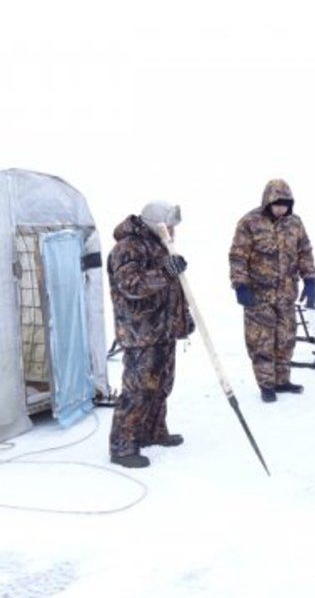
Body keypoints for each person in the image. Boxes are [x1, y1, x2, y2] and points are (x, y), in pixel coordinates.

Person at [107, 200, 194, 468]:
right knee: (138, 389)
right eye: (169, 225)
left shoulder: (160, 247)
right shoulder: (127, 248)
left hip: (163, 330)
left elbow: (172, 289)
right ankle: (123, 446)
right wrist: (166, 272)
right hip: (141, 332)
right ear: (156, 225)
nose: (173, 230)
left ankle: (153, 432)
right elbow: (132, 286)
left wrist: (183, 317)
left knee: (162, 384)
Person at [229, 179, 315, 402]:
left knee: (285, 338)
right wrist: (240, 285)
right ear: (268, 202)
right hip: (258, 295)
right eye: (278, 204)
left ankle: (282, 380)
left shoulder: (295, 223)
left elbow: (304, 252)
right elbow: (238, 256)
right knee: (262, 341)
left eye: (286, 204)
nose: (282, 208)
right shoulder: (249, 222)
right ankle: (266, 385)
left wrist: (310, 281)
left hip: (286, 294)